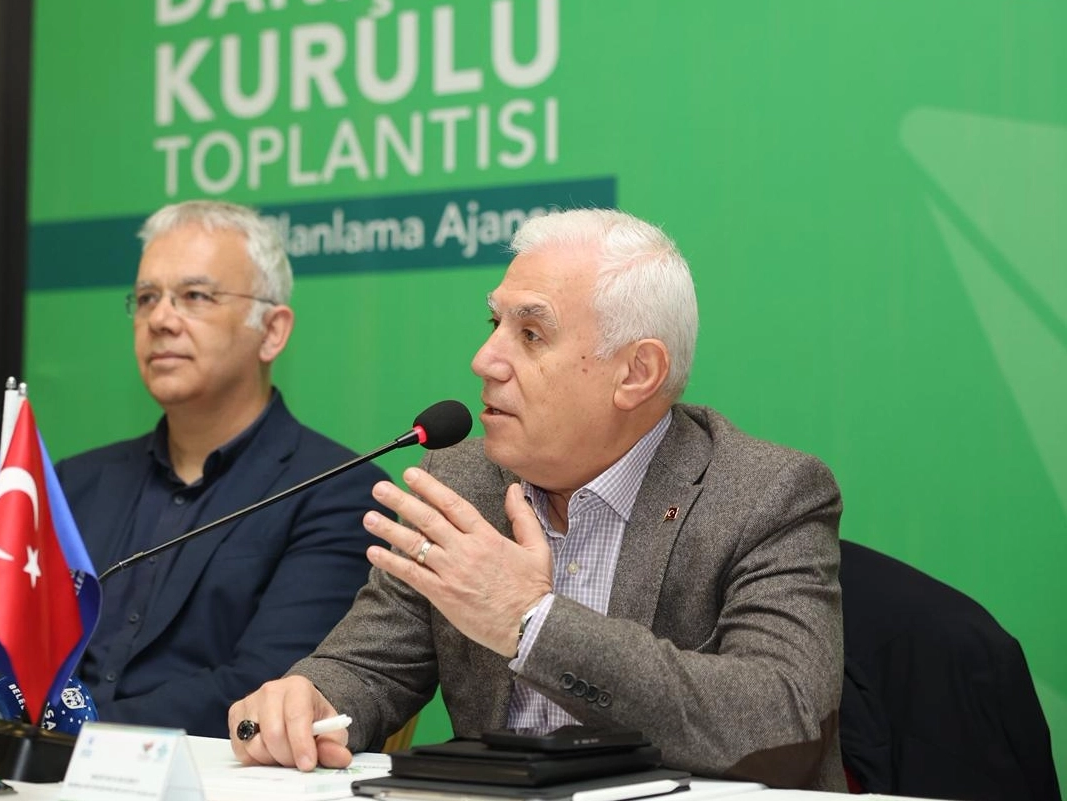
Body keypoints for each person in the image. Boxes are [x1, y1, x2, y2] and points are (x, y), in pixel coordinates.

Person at [229, 209, 845, 790]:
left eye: (531, 333)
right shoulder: (461, 481)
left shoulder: (765, 493)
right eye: (493, 324)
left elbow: (783, 719)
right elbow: (369, 667)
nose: (484, 360)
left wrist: (532, 623)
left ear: (636, 373)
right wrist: (307, 696)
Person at [53, 200, 384, 738]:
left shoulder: (339, 493)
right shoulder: (75, 484)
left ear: (271, 331)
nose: (160, 320)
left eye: (195, 296)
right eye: (146, 298)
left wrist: (70, 733)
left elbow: (267, 686)